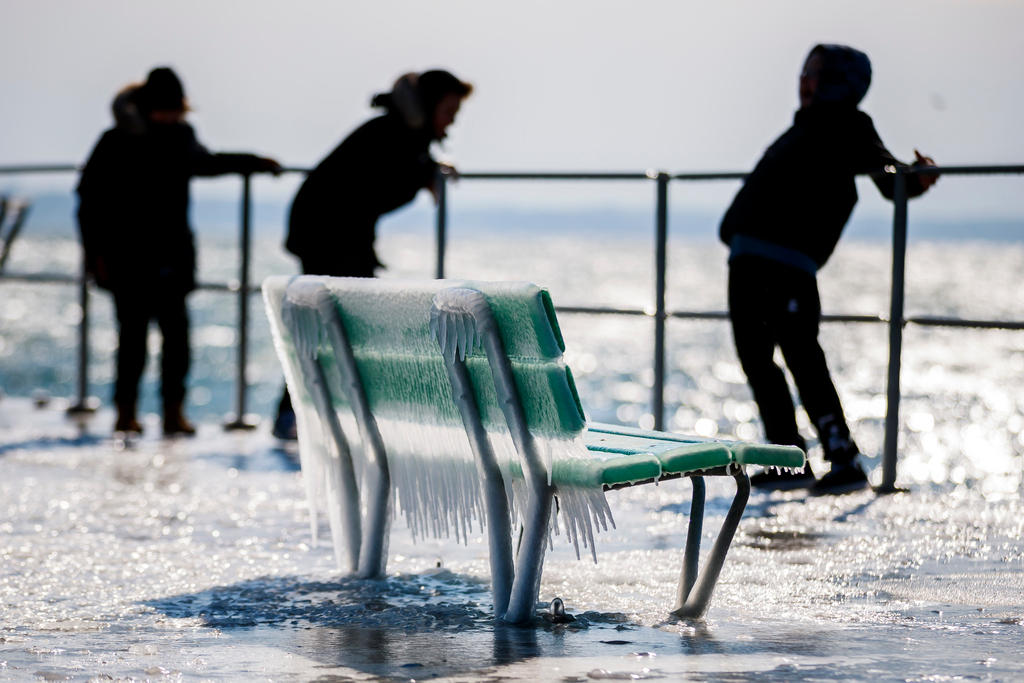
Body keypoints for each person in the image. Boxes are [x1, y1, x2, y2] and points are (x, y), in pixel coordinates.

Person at [719, 44, 938, 494]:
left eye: (814, 73)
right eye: (804, 71)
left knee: (801, 355)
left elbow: (888, 178)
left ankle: (844, 456)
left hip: (786, 265)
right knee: (757, 360)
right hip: (747, 260)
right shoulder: (798, 131)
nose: (804, 81)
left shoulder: (850, 126)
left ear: (840, 82)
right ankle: (787, 459)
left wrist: (915, 177)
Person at [77, 67, 281, 436]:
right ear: (147, 106)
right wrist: (96, 256)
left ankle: (173, 412)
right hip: (126, 258)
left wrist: (254, 162)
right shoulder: (115, 140)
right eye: (166, 109)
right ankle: (126, 413)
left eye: (176, 109)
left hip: (172, 255)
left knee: (176, 339)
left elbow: (209, 162)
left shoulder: (180, 137)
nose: (172, 116)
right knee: (132, 340)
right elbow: (87, 201)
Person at [273, 69, 472, 440]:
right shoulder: (391, 136)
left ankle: (306, 412)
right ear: (427, 108)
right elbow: (385, 182)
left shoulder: (400, 136)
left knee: (331, 324)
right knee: (335, 325)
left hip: (334, 234)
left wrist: (427, 169)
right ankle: (299, 413)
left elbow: (392, 178)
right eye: (449, 110)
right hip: (329, 235)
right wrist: (423, 174)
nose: (452, 120)